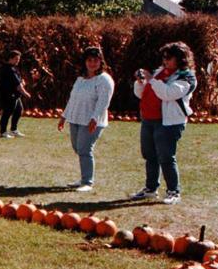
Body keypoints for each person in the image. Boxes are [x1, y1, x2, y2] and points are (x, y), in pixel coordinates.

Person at [130, 41, 197, 205]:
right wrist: (140, 82)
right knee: (150, 155)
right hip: (149, 119)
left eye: (169, 58)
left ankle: (174, 191)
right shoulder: (160, 72)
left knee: (166, 157)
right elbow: (142, 94)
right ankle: (151, 189)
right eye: (164, 57)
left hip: (169, 123)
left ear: (181, 59)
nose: (165, 61)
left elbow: (168, 94)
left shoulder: (186, 77)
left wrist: (151, 80)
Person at [57, 47, 114, 191]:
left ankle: (87, 182)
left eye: (96, 60)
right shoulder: (80, 79)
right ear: (84, 62)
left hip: (92, 121)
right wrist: (64, 116)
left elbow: (103, 102)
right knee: (77, 148)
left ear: (101, 62)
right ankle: (83, 178)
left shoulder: (104, 80)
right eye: (89, 60)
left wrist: (95, 119)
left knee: (84, 149)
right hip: (76, 118)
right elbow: (73, 99)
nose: (92, 63)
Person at [0, 50, 30, 138]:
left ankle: (13, 130)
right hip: (8, 94)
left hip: (15, 95)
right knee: (7, 113)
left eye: (18, 59)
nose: (17, 61)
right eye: (16, 59)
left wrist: (22, 82)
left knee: (19, 110)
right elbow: (17, 84)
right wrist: (25, 93)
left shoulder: (13, 68)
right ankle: (3, 132)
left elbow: (18, 81)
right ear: (10, 59)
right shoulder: (8, 69)